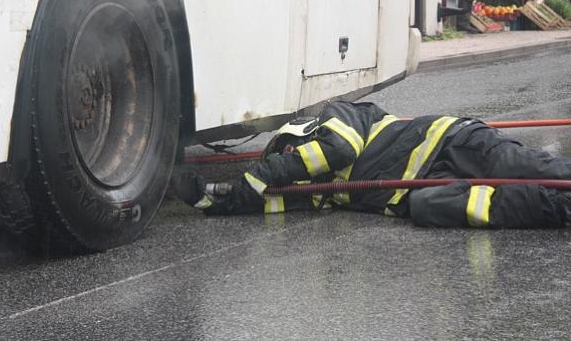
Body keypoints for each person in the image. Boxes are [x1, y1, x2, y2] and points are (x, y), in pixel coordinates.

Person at [173, 101, 571, 228]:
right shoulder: (321, 188)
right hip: (418, 192)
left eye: (288, 153)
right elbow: (281, 202)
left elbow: (341, 149)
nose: (291, 162)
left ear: (298, 134)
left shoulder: (337, 116)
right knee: (441, 209)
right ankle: (560, 207)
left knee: (519, 164)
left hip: (448, 142)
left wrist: (266, 173)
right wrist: (218, 201)